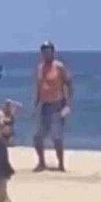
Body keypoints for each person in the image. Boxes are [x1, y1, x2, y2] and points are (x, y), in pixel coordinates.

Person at [33, 41, 73, 172]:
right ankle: (41, 162)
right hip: (44, 105)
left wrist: (68, 105)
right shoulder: (40, 67)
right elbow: (39, 87)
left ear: (53, 52)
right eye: (44, 51)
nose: (46, 53)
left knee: (57, 137)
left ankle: (61, 164)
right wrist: (36, 104)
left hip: (57, 105)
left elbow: (69, 84)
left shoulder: (59, 66)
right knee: (38, 137)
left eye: (49, 51)